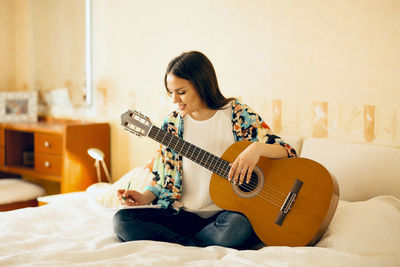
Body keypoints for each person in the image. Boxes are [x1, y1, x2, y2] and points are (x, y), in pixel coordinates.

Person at [113, 51, 297, 249]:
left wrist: (256, 149)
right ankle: (198, 244)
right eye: (170, 92)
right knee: (122, 221)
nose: (174, 99)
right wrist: (144, 197)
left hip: (226, 216)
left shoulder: (237, 114)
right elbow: (162, 178)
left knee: (239, 227)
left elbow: (287, 150)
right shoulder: (173, 124)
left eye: (181, 92)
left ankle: (188, 243)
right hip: (182, 215)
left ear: (201, 84)